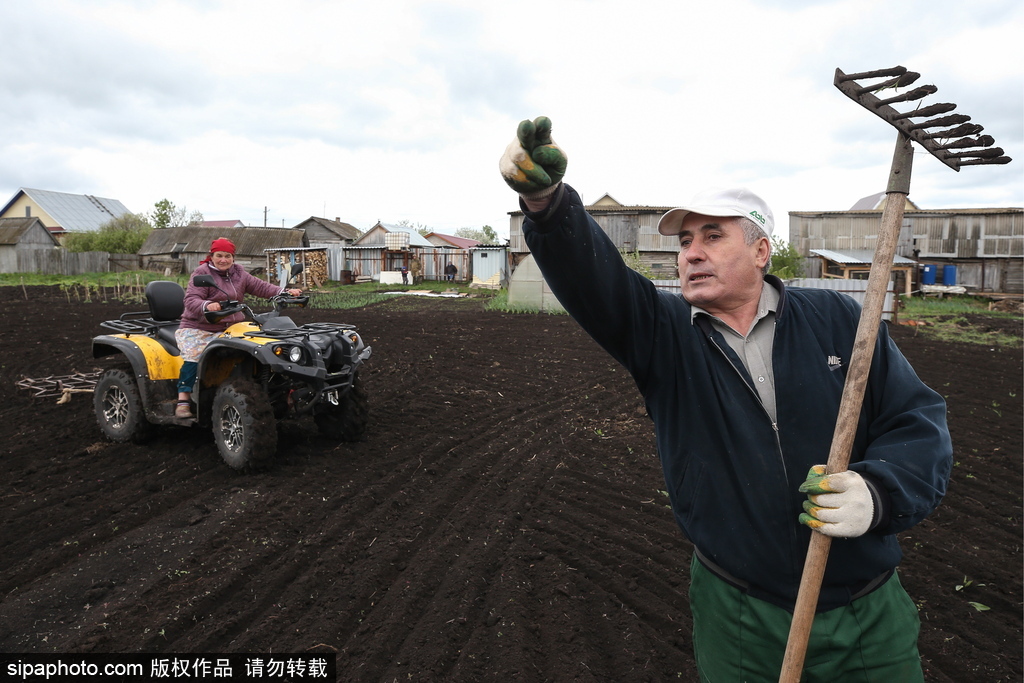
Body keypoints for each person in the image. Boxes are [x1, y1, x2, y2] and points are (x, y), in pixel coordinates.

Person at [499, 117, 952, 681]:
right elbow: (599, 283)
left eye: (713, 236)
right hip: (741, 610)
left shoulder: (840, 322)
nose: (691, 253)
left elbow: (917, 421)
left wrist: (880, 491)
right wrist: (547, 204)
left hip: (865, 605)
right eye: (686, 240)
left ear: (761, 251)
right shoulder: (664, 335)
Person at [174, 237, 302, 418]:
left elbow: (260, 286)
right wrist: (207, 305)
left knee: (267, 346)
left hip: (232, 326)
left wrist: (284, 292)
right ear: (212, 256)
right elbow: (191, 300)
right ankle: (184, 399)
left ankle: (277, 390)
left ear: (233, 257)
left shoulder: (238, 272)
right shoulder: (201, 273)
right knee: (194, 355)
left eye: (227, 256)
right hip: (200, 327)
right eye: (219, 255)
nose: (223, 260)